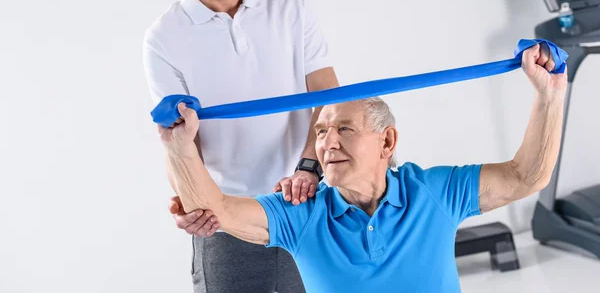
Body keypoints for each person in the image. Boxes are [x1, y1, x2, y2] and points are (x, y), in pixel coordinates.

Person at [158, 42, 567, 293]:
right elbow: (218, 210)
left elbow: (525, 176)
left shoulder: (433, 192)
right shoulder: (300, 212)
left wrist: (549, 96)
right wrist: (178, 145)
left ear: (387, 141)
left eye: (344, 129)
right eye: (320, 131)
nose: (327, 142)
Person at [142, 0, 339, 291]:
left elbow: (328, 97)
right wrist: (190, 200)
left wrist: (308, 168)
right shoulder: (163, 38)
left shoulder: (291, 5)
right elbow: (179, 144)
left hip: (308, 202)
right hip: (226, 216)